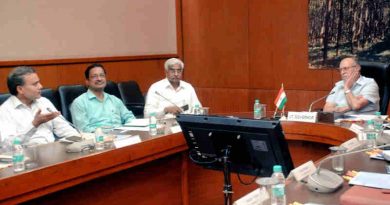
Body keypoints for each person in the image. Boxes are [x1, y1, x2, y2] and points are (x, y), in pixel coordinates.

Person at [0, 66, 79, 144]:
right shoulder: (5, 110)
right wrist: (34, 124)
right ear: (20, 89)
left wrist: (81, 141)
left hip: (52, 151)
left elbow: (64, 129)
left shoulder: (44, 102)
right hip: (26, 155)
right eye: (35, 84)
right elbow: (8, 145)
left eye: (39, 82)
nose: (40, 86)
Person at [70, 63, 135, 132]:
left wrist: (128, 129)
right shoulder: (79, 103)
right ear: (87, 82)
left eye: (102, 75)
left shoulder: (114, 100)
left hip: (122, 137)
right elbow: (83, 130)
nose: (99, 79)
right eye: (94, 76)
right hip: (98, 139)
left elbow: (130, 117)